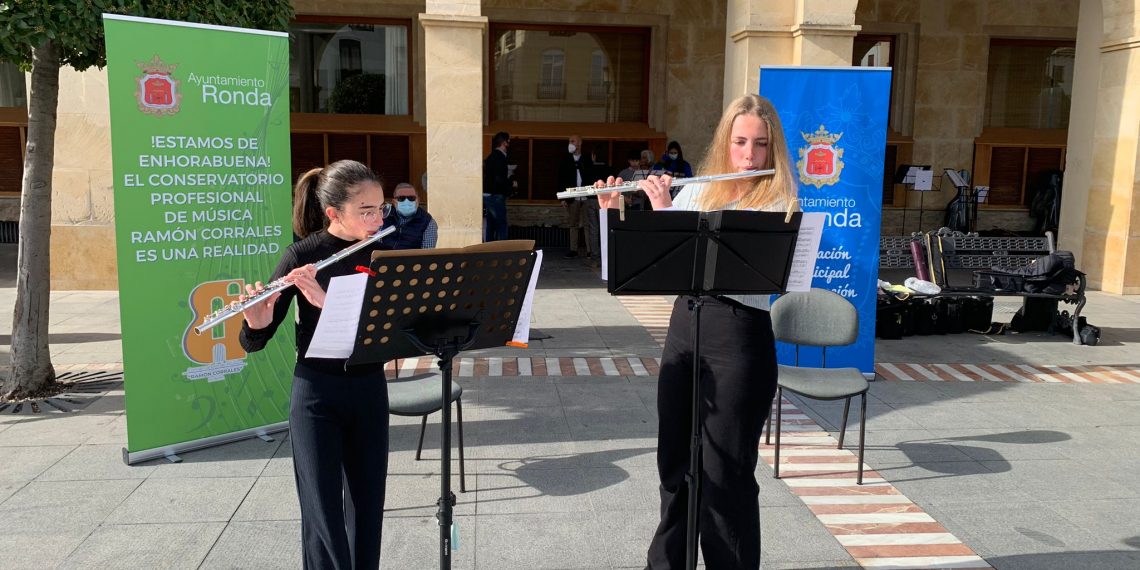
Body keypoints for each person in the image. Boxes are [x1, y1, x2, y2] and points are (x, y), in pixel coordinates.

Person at [596, 94, 798, 569]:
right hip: (685, 329)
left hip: (739, 336)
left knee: (725, 474)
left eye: (760, 144)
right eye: (740, 142)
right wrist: (611, 211)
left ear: (773, 149)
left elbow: (747, 280)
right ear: (726, 142)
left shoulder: (780, 201)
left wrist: (665, 210)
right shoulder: (698, 192)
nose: (749, 155)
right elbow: (637, 269)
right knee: (674, 465)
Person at [239, 160, 390, 570]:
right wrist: (257, 323)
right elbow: (253, 341)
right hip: (317, 393)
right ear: (333, 213)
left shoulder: (385, 254)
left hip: (368, 388)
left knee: (368, 506)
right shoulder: (302, 255)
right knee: (321, 512)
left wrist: (328, 303)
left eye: (381, 208)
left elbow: (390, 330)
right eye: (366, 211)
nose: (378, 220)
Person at [558, 134, 594, 258]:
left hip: (586, 196)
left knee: (588, 224)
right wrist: (563, 198)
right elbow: (561, 178)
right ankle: (573, 249)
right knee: (573, 223)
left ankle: (590, 250)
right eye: (569, 141)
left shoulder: (587, 158)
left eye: (573, 141)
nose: (570, 143)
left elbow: (591, 175)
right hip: (572, 196)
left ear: (579, 143)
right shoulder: (565, 159)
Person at [380, 182, 438, 249]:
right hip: (384, 255)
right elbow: (375, 243)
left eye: (411, 198)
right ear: (394, 202)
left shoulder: (428, 222)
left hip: (412, 256)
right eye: (401, 198)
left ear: (418, 200)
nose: (407, 201)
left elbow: (426, 252)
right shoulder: (384, 216)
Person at [482, 131, 512, 241]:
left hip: (487, 193)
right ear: (504, 143)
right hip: (496, 194)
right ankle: (502, 248)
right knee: (501, 224)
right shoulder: (500, 158)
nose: (509, 143)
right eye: (508, 141)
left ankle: (489, 248)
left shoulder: (491, 157)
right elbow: (499, 178)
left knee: (491, 224)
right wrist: (510, 186)